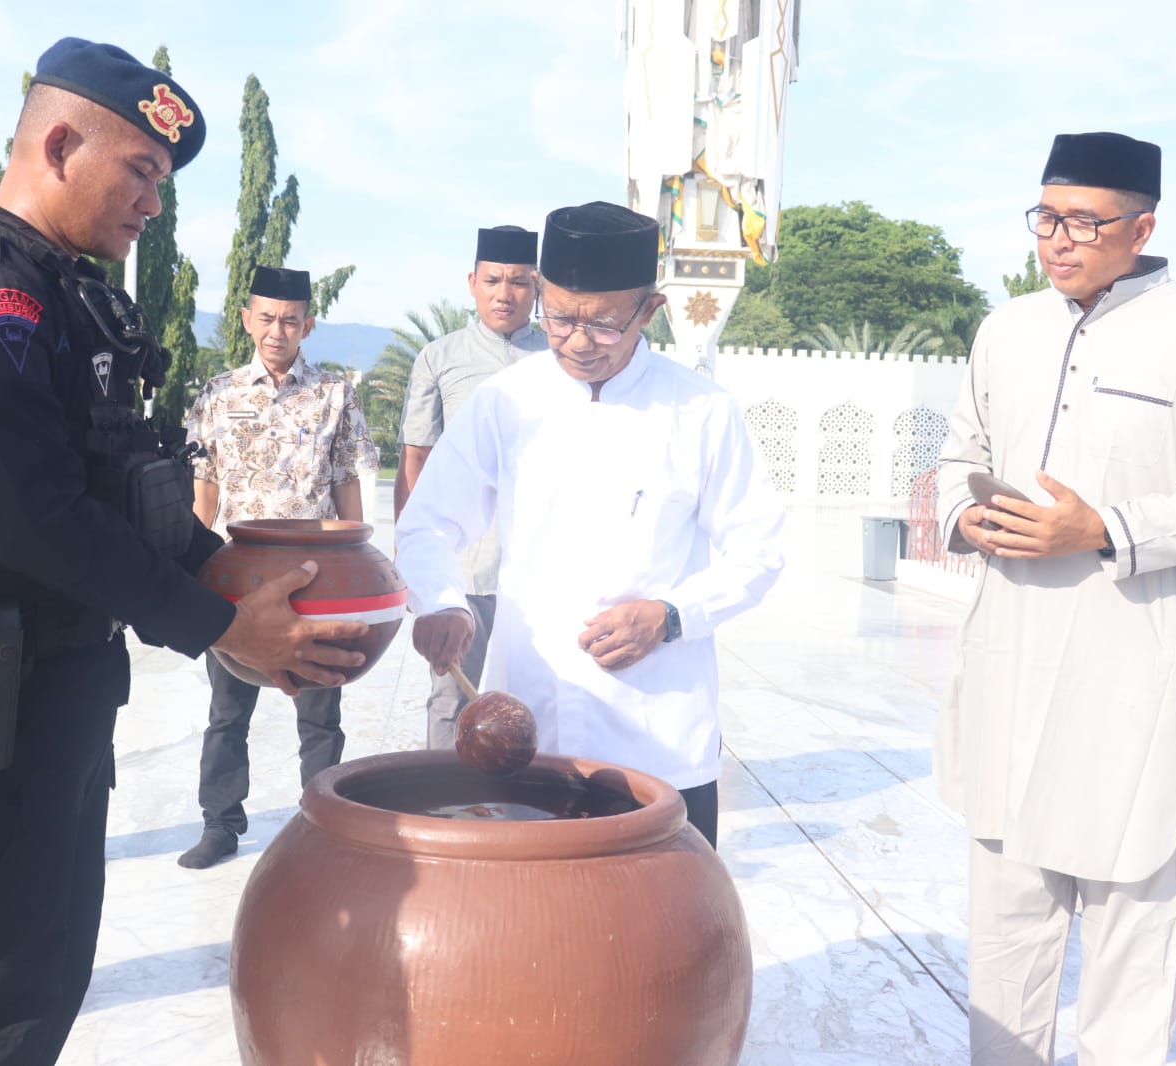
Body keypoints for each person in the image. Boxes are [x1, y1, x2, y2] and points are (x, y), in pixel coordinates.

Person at [0, 39, 367, 1064]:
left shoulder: (64, 293)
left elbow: (127, 490)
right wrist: (220, 625)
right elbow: (32, 513)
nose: (153, 206)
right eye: (140, 171)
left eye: (163, 184)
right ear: (57, 142)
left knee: (37, 979)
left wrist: (238, 574)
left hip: (50, 695)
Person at [936, 131, 1176, 1065]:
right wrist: (963, 513)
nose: (1058, 240)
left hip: (1128, 662)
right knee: (1007, 920)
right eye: (1045, 217)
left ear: (1143, 226)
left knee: (1135, 912)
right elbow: (959, 457)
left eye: (1083, 221)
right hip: (1011, 652)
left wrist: (1106, 530)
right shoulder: (1007, 328)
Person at [394, 201, 787, 848]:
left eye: (604, 324)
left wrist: (671, 614)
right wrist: (442, 601)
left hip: (657, 733)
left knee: (664, 932)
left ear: (648, 311)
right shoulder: (507, 399)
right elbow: (430, 521)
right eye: (559, 317)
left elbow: (760, 549)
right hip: (529, 729)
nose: (578, 341)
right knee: (531, 925)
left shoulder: (702, 411)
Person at [177, 265, 379, 870]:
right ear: (246, 319)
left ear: (308, 325)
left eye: (290, 319)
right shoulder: (219, 394)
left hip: (315, 578)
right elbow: (204, 489)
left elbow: (346, 485)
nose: (277, 330)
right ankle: (220, 823)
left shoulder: (334, 394)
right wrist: (192, 569)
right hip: (236, 576)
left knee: (320, 708)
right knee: (227, 710)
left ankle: (324, 824)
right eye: (266, 317)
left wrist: (358, 558)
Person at [394, 224, 544, 750]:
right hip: (464, 572)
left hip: (539, 569)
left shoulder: (560, 359)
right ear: (472, 283)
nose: (505, 294)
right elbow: (415, 458)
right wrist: (413, 564)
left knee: (538, 697)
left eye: (520, 282)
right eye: (494, 280)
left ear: (538, 286)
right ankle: (444, 811)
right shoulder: (439, 357)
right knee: (452, 698)